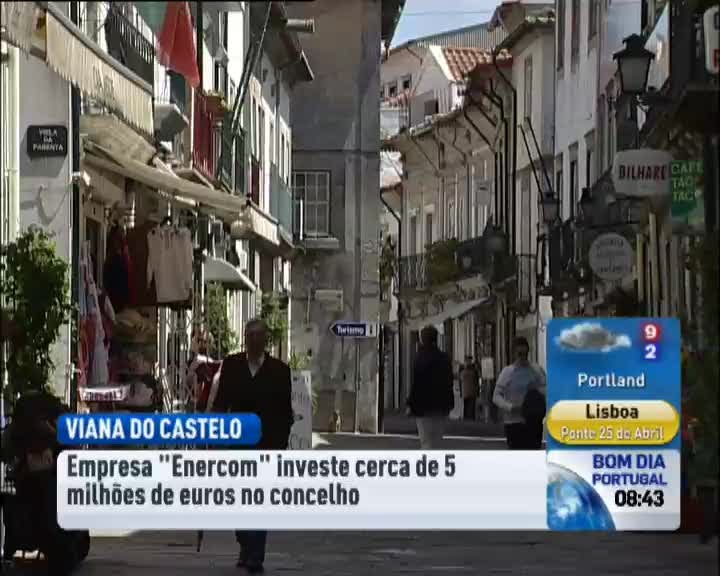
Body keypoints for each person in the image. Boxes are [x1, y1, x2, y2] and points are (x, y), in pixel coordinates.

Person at [211, 318, 293, 574]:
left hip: (266, 446)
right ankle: (246, 543)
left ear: (266, 340)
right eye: (250, 336)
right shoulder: (232, 365)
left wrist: (279, 447)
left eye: (259, 336)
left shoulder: (280, 371)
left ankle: (255, 555)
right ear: (245, 339)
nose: (255, 341)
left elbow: (285, 413)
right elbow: (221, 403)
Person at [493, 336, 546, 450]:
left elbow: (547, 391)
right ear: (514, 354)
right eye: (520, 354)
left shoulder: (536, 370)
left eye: (525, 354)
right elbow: (496, 396)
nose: (522, 357)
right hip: (513, 422)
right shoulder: (507, 372)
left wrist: (537, 391)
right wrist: (510, 407)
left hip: (533, 421)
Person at [407, 325, 454, 449]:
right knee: (437, 441)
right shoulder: (444, 358)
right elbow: (449, 382)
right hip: (440, 406)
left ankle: (428, 460)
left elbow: (416, 384)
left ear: (422, 340)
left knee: (426, 441)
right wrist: (449, 403)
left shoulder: (419, 358)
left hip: (423, 407)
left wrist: (411, 404)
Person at [460, 356, 479, 421]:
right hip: (471, 390)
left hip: (466, 391)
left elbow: (461, 380)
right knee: (471, 405)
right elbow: (476, 381)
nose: (468, 362)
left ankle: (466, 417)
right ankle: (471, 417)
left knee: (467, 405)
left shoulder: (462, 370)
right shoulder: (474, 371)